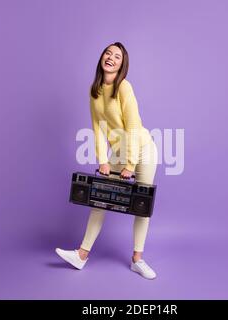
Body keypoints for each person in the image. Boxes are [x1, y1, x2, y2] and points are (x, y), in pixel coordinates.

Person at [55, 42, 158, 280]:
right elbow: (98, 129)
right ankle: (81, 255)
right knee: (99, 198)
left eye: (117, 56)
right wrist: (103, 160)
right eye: (108, 53)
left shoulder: (124, 87)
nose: (111, 57)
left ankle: (137, 260)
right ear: (102, 57)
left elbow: (132, 127)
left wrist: (130, 164)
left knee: (142, 204)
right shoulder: (95, 92)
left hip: (143, 149)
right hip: (119, 153)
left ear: (122, 65)